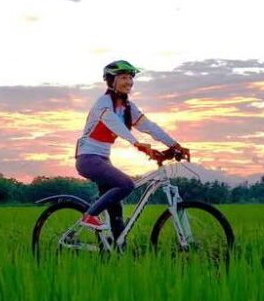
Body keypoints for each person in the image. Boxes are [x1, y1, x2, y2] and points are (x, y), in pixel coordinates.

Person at [75, 60, 189, 238]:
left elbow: (150, 126)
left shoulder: (128, 107)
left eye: (130, 78)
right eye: (123, 77)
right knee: (126, 184)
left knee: (116, 211)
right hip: (88, 158)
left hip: (103, 159)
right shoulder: (103, 103)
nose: (128, 82)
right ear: (112, 80)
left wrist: (174, 145)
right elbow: (114, 124)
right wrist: (136, 143)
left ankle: (116, 252)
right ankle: (89, 215)